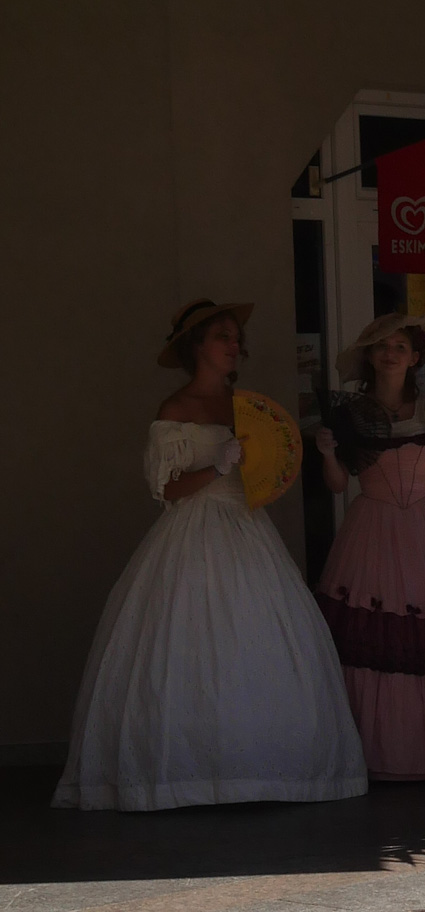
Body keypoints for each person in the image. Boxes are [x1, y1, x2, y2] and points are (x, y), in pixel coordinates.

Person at [53, 301, 367, 811]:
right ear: (196, 344)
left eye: (236, 336)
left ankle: (259, 769)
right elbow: (166, 490)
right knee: (190, 644)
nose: (234, 344)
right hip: (194, 531)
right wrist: (217, 468)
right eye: (223, 335)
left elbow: (266, 473)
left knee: (257, 640)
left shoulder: (244, 405)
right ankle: (189, 773)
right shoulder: (177, 407)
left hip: (248, 530)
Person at [314, 314, 425, 781]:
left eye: (399, 346)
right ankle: (377, 752)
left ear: (415, 357)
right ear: (370, 356)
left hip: (423, 527)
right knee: (374, 632)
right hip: (370, 529)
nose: (390, 353)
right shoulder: (352, 413)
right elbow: (338, 485)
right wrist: (328, 453)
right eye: (381, 346)